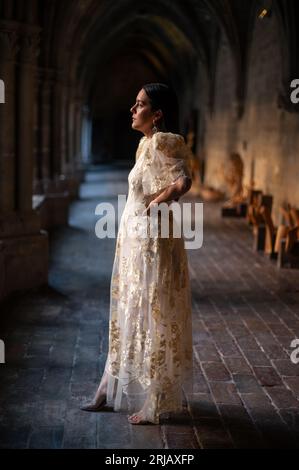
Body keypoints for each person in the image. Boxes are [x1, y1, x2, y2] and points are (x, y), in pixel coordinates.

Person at [81, 83, 194, 425]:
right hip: (134, 240)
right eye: (133, 103)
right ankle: (107, 386)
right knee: (128, 310)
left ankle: (155, 402)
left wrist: (162, 200)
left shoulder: (162, 139)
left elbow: (185, 180)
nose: (133, 109)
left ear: (157, 114)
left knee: (151, 312)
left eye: (140, 104)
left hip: (151, 241)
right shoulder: (144, 144)